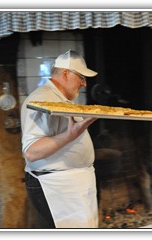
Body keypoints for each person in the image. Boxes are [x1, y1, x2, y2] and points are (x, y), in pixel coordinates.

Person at [20, 49, 98, 228]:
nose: (84, 84)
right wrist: (70, 135)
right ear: (65, 74)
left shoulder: (58, 99)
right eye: (81, 78)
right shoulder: (41, 101)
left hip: (71, 185)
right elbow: (31, 152)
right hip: (55, 186)